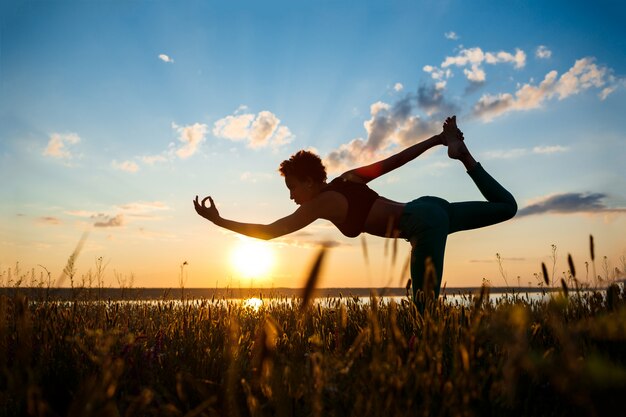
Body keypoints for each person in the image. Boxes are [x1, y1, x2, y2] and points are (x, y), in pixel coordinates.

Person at [194, 116, 517, 308]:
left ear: (309, 181)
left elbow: (270, 231)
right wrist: (436, 140)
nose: (291, 195)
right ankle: (465, 158)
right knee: (507, 207)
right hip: (429, 206)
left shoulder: (322, 202)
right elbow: (395, 160)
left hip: (422, 226)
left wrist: (219, 221)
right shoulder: (347, 178)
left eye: (292, 187)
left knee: (424, 310)